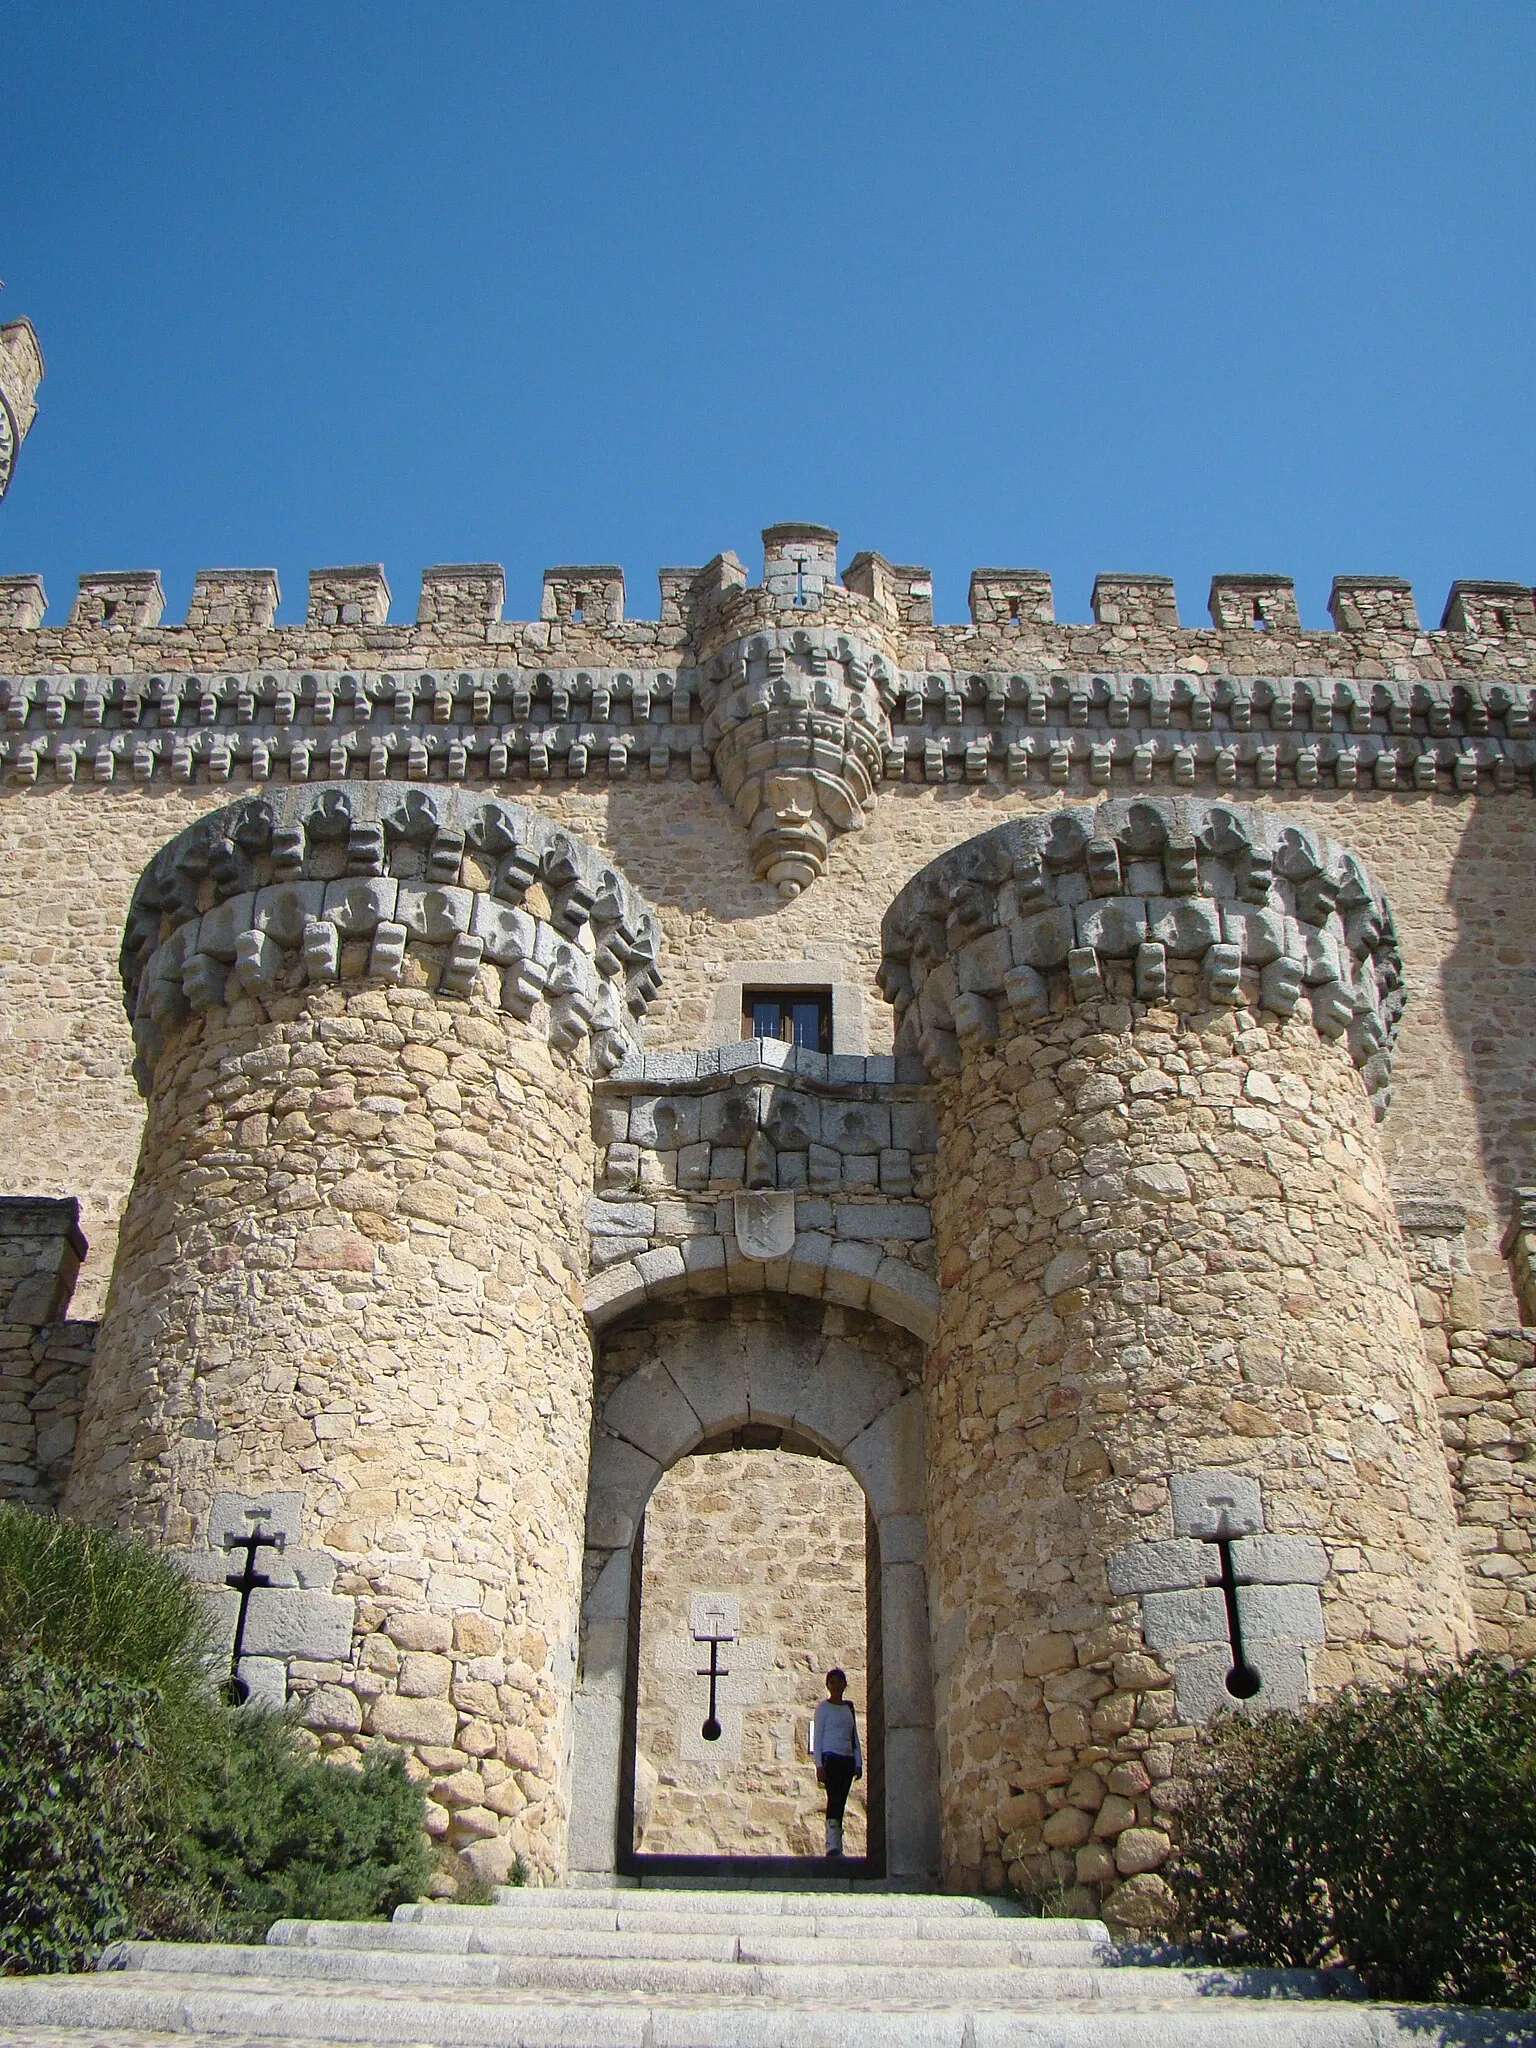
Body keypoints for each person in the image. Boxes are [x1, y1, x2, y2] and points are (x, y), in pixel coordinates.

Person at [810, 1666, 863, 1858]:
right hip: (830, 1758)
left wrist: (858, 1762)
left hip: (846, 1759)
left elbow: (854, 1736)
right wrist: (819, 1765)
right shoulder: (823, 1709)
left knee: (841, 1800)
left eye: (839, 1682)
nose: (835, 1685)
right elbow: (817, 1737)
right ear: (827, 1685)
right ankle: (832, 1845)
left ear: (844, 1684)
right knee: (834, 1800)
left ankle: (837, 1845)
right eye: (832, 1682)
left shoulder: (848, 1708)